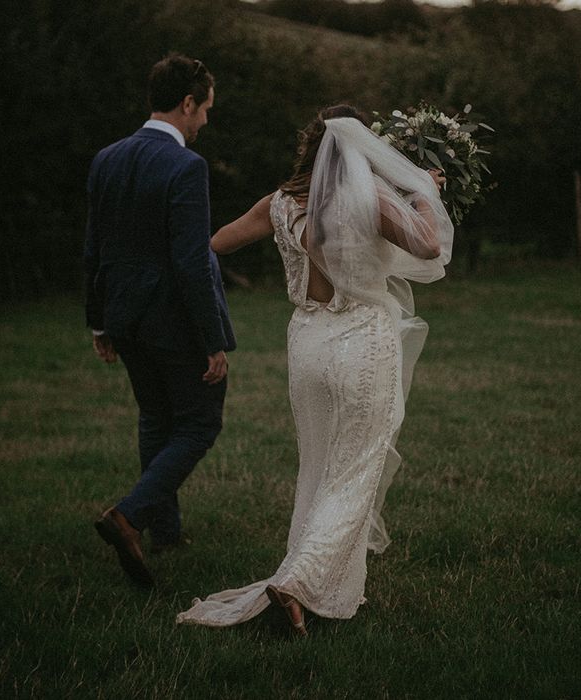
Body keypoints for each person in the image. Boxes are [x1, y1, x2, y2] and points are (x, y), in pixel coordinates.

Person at [176, 104, 453, 635]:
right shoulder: (370, 200)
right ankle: (299, 581)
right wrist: (423, 189)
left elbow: (212, 245)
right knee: (357, 467)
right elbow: (428, 244)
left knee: (319, 465)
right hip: (361, 343)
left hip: (306, 343)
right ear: (362, 150)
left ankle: (320, 587)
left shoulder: (277, 204)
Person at [85, 54, 236, 587]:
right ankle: (128, 516)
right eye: (204, 110)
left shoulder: (107, 157)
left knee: (155, 417)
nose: (205, 123)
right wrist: (214, 339)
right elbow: (192, 261)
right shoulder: (185, 166)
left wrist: (99, 322)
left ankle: (163, 533)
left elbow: (94, 247)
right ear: (187, 103)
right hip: (171, 320)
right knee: (199, 422)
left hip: (124, 317)